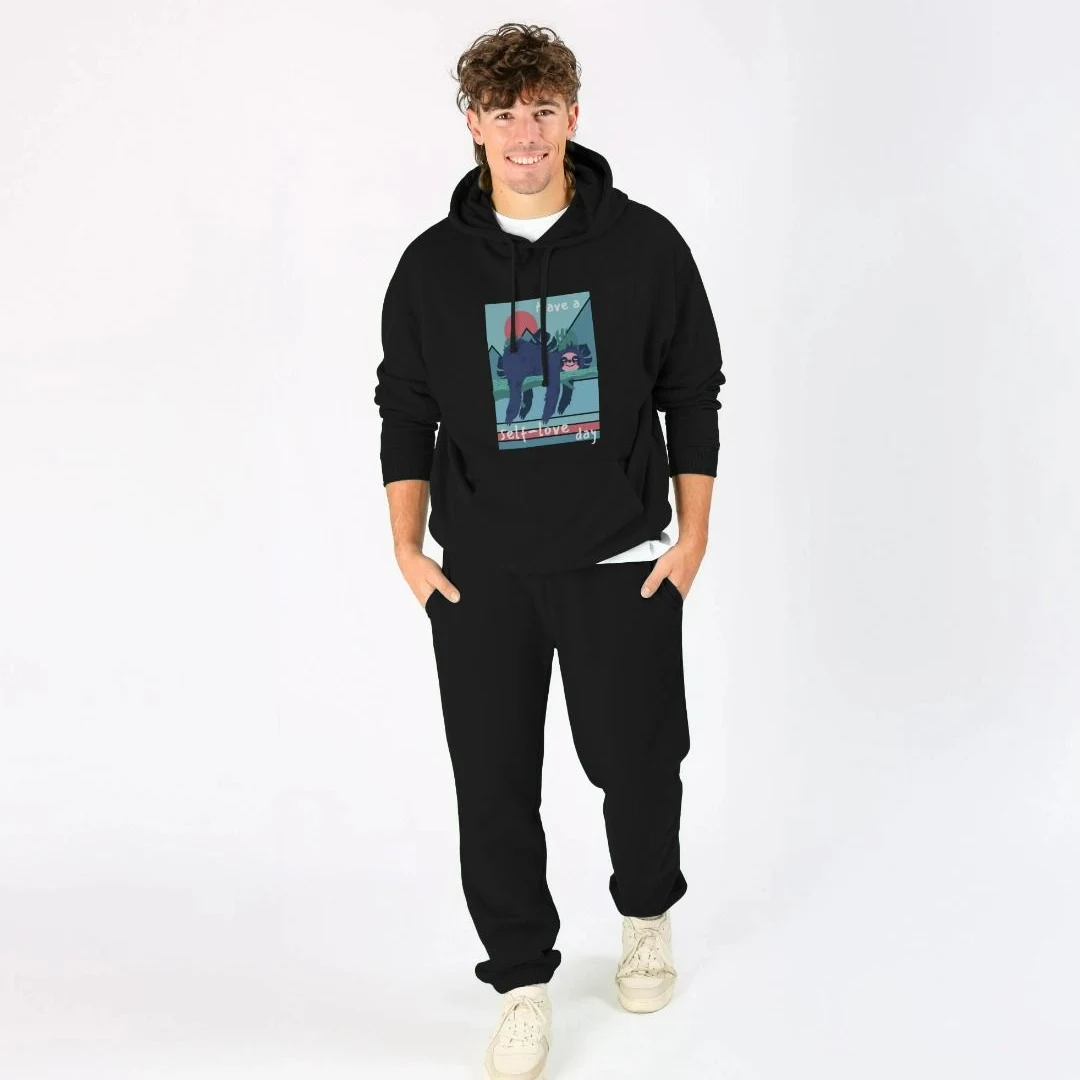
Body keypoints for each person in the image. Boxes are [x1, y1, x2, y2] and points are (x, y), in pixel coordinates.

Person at [373, 22, 725, 1080]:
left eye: (543, 110)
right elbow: (406, 407)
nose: (525, 133)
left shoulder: (645, 246)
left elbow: (691, 389)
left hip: (622, 559)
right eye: (504, 113)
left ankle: (647, 916)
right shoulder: (432, 268)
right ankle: (521, 984)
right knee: (492, 786)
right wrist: (406, 546)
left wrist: (694, 533)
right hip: (481, 574)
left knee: (639, 762)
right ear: (473, 124)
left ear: (573, 115)